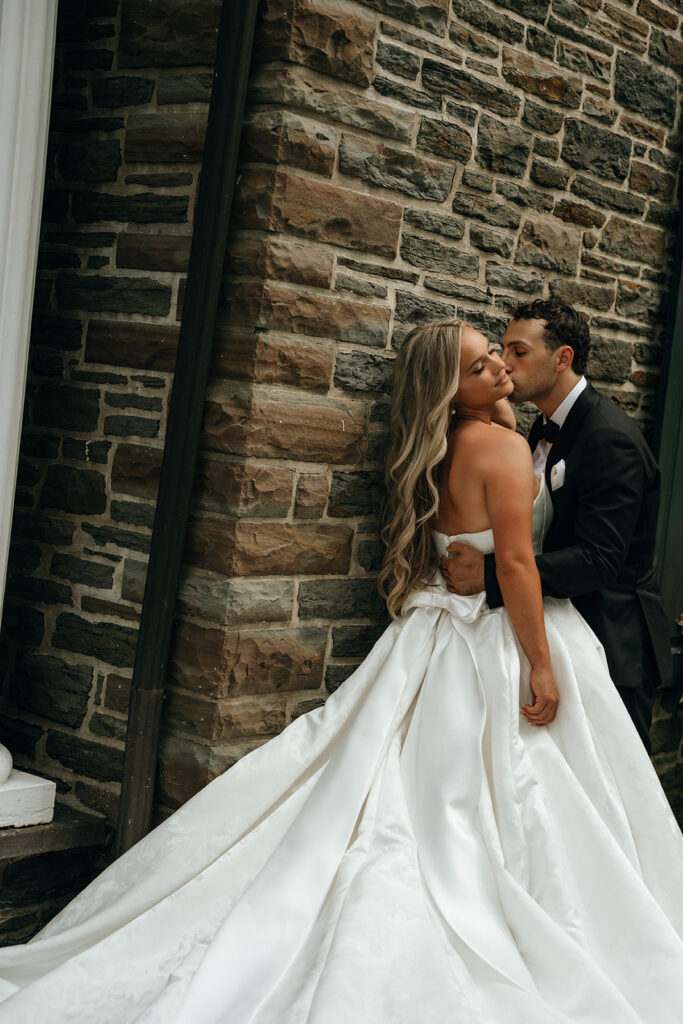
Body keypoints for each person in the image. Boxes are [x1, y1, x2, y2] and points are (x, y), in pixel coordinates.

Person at [0, 320, 681, 1023]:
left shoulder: (444, 444)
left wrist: (496, 414)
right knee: (509, 795)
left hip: (433, 631)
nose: (500, 370)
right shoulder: (504, 448)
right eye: (481, 366)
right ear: (449, 391)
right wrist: (540, 665)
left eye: (496, 356)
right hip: (498, 634)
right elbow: (511, 564)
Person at [440, 299, 672, 752]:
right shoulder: (540, 429)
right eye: (502, 349)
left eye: (519, 351)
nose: (505, 363)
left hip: (612, 644)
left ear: (562, 358)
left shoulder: (610, 438)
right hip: (558, 632)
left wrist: (489, 573)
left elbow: (600, 559)